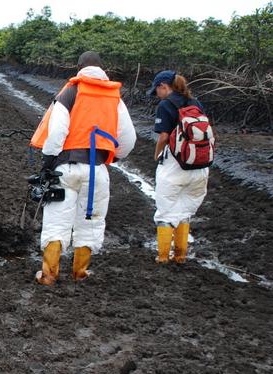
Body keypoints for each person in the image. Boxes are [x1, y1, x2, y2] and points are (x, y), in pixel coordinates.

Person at [29, 51, 136, 286]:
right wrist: (110, 157)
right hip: (97, 171)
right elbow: (128, 139)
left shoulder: (71, 91)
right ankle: (80, 273)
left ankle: (49, 275)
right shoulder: (114, 98)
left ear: (78, 68)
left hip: (66, 169)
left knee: (57, 221)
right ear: (102, 68)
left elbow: (57, 132)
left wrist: (47, 162)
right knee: (91, 222)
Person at [148, 70, 210, 264]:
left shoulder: (165, 105)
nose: (156, 94)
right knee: (184, 210)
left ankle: (163, 257)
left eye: (156, 90)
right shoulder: (196, 102)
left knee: (166, 212)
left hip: (175, 166)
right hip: (199, 166)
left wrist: (156, 154)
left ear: (163, 86)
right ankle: (181, 255)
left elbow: (164, 137)